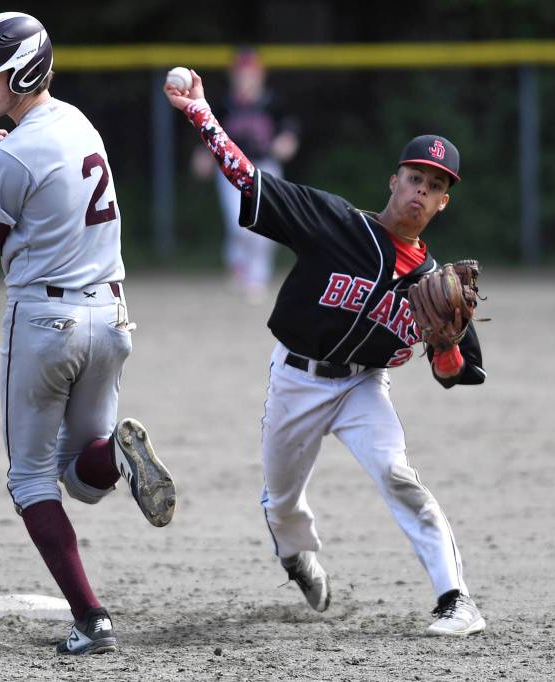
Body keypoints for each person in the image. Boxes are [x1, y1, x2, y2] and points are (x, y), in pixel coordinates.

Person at [164, 70, 487, 636]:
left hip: (365, 387)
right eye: (414, 177)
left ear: (443, 203)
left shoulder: (441, 283)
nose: (420, 191)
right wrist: (201, 114)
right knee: (282, 501)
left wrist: (445, 344)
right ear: (394, 180)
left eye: (434, 186)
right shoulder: (335, 223)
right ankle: (296, 557)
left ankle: (456, 599)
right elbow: (248, 179)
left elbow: (456, 373)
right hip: (297, 380)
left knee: (397, 474)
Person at [0, 12, 176, 655]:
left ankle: (91, 618)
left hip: (45, 322)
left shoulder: (14, 152)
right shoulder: (80, 122)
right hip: (110, 315)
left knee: (29, 482)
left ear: (22, 70)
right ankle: (122, 459)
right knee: (84, 478)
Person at [191, 48, 300, 304]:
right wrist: (203, 154)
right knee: (238, 223)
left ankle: (257, 277)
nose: (245, 80)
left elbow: (290, 128)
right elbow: (210, 132)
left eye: (250, 75)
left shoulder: (273, 103)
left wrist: (287, 141)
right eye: (241, 75)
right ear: (233, 77)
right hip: (232, 169)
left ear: (261, 76)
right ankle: (238, 261)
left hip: (266, 168)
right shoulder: (225, 106)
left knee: (266, 225)